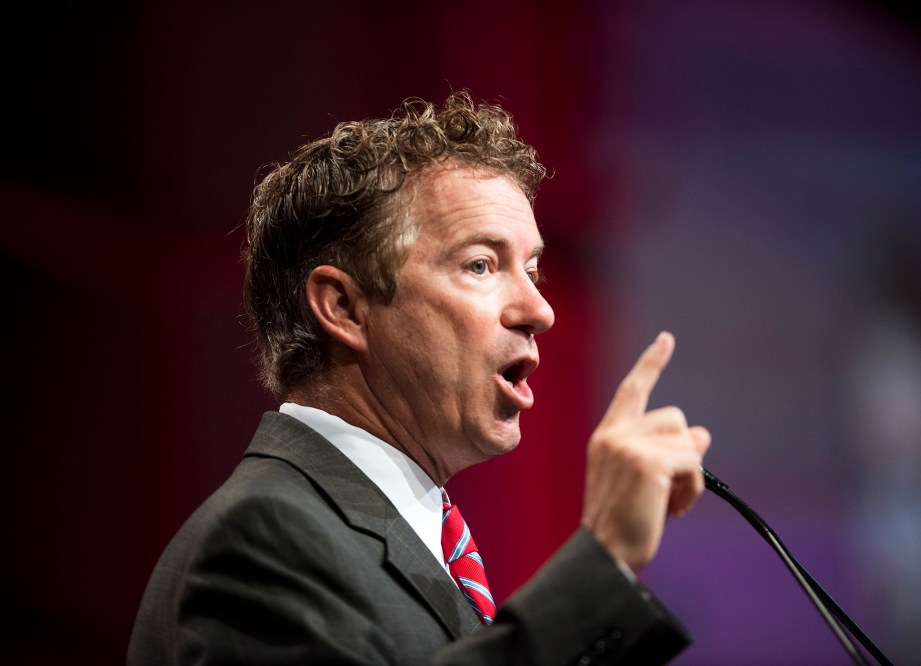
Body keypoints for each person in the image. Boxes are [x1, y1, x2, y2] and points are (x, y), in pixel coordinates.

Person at [127, 92, 712, 665]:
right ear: (344, 308)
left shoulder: (407, 536)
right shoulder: (263, 539)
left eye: (532, 270)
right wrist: (600, 563)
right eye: (481, 264)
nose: (540, 310)